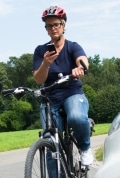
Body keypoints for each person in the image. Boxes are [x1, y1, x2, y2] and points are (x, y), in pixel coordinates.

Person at [32, 5, 93, 167]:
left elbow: (82, 59)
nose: (53, 29)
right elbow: (38, 79)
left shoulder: (72, 46)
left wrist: (80, 68)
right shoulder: (40, 51)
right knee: (50, 141)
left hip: (72, 93)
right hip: (50, 98)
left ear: (63, 25)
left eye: (56, 24)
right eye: (49, 26)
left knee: (76, 118)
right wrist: (45, 64)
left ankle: (85, 148)